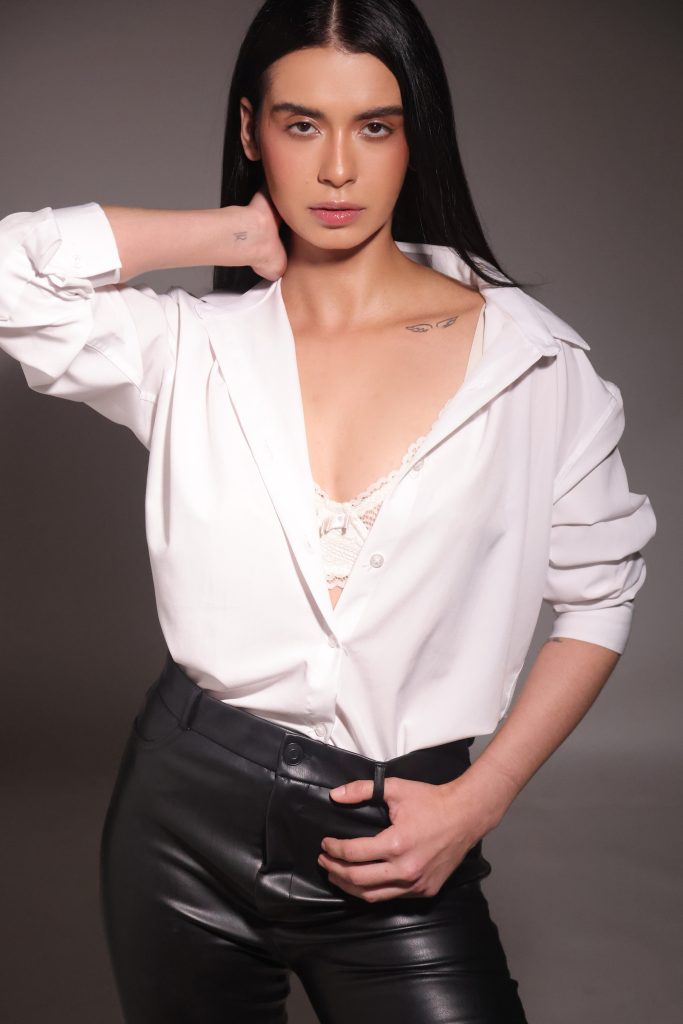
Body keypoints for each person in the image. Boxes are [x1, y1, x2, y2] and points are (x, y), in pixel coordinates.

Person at [0, 0, 657, 1021]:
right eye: (302, 125)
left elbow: (598, 596)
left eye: (374, 127)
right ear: (250, 130)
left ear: (414, 135)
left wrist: (478, 798)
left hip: (398, 842)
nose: (338, 170)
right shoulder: (190, 347)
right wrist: (228, 230)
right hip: (177, 831)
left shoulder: (529, 362)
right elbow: (12, 275)